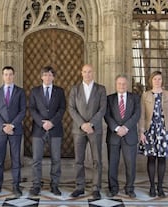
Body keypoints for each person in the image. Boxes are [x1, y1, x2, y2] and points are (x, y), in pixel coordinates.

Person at [68, 64, 107, 199]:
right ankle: (79, 186)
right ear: (81, 73)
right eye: (85, 72)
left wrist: (90, 124)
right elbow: (71, 108)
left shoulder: (101, 89)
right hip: (79, 130)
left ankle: (96, 188)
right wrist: (82, 124)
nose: (87, 74)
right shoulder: (75, 89)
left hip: (94, 129)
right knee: (79, 160)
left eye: (90, 72)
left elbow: (102, 109)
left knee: (97, 160)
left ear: (93, 73)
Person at [138, 71, 168, 198]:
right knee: (151, 158)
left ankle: (160, 187)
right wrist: (142, 132)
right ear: (151, 80)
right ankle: (152, 187)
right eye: (155, 79)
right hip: (150, 130)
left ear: (162, 80)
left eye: (159, 79)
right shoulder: (145, 95)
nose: (157, 81)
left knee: (162, 159)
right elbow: (142, 115)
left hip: (164, 130)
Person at [0, 66, 26, 198]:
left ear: (14, 76)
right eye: (6, 74)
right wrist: (3, 126)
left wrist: (12, 125)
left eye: (10, 74)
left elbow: (23, 111)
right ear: (2, 76)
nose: (8, 77)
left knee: (16, 159)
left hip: (15, 131)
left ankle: (16, 186)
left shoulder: (20, 92)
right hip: (0, 131)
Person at [29, 66, 66, 196]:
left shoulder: (60, 91)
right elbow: (32, 109)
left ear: (53, 77)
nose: (48, 77)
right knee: (36, 159)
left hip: (55, 129)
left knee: (56, 159)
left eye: (50, 75)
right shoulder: (34, 91)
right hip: (39, 130)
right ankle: (36, 185)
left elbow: (62, 109)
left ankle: (55, 185)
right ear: (41, 76)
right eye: (45, 75)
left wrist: (52, 122)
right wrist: (41, 122)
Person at [105, 74, 140, 198]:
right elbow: (107, 115)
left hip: (129, 135)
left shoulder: (135, 98)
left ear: (128, 85)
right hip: (113, 136)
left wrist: (125, 127)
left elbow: (137, 114)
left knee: (130, 164)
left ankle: (130, 188)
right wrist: (116, 128)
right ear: (116, 84)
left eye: (124, 84)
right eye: (119, 83)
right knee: (112, 164)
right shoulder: (109, 99)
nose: (122, 86)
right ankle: (113, 188)